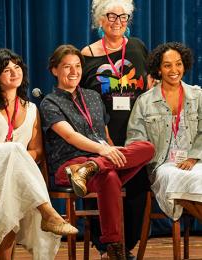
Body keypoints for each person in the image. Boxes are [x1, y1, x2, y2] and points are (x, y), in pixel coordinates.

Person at [0, 48, 78, 260]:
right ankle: (47, 213)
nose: (14, 72)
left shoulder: (32, 109)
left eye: (17, 67)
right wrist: (0, 152)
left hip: (12, 172)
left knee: (11, 187)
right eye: (7, 69)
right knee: (12, 151)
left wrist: (14, 160)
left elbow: (37, 151)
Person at [40, 44, 155, 260]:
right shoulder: (49, 102)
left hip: (97, 161)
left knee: (147, 148)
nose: (74, 72)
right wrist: (104, 150)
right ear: (55, 70)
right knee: (109, 176)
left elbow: (105, 133)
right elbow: (70, 136)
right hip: (71, 164)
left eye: (77, 66)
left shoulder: (93, 96)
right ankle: (113, 248)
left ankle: (92, 168)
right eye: (67, 67)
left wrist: (110, 150)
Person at [80, 0, 151, 258]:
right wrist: (102, 135)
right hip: (101, 134)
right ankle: (105, 246)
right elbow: (84, 100)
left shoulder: (137, 47)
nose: (118, 22)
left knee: (136, 190)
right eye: (111, 16)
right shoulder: (86, 54)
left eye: (124, 17)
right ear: (100, 20)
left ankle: (126, 246)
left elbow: (149, 85)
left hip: (136, 132)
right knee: (105, 186)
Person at [126, 42, 202, 223]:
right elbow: (134, 141)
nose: (174, 69)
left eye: (179, 63)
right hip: (162, 166)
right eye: (167, 65)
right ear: (159, 69)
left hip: (195, 161)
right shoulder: (144, 101)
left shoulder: (197, 96)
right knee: (183, 179)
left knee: (197, 179)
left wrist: (193, 158)